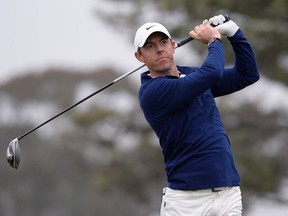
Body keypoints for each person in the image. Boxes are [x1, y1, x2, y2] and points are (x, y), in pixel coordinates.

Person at [133, 14, 260, 216]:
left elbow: (248, 74)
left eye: (163, 42)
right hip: (187, 201)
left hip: (228, 193)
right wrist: (214, 40)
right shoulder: (153, 92)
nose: (159, 49)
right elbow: (211, 73)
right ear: (139, 57)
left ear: (173, 46)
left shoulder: (193, 76)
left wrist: (235, 33)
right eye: (149, 46)